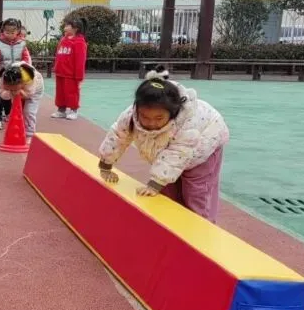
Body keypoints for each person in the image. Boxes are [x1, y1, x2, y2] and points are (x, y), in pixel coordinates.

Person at [97, 70, 230, 223]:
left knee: (195, 193)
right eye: (145, 117)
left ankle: (202, 226)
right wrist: (105, 165)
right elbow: (117, 137)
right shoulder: (130, 116)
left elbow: (177, 153)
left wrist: (154, 184)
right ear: (136, 108)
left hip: (203, 148)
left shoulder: (186, 124)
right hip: (170, 150)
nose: (151, 123)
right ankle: (171, 223)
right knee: (167, 190)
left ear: (172, 113)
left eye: (159, 118)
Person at [0, 18, 31, 130]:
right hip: (2, 76)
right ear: (2, 31)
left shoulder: (22, 44)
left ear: (18, 32)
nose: (10, 35)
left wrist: (27, 76)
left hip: (17, 76)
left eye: (13, 32)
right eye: (7, 32)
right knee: (0, 98)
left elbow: (26, 61)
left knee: (15, 97)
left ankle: (10, 115)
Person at [0, 62, 45, 142]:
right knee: (16, 111)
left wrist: (20, 92)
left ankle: (29, 135)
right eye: (9, 88)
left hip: (35, 91)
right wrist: (11, 93)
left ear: (21, 83)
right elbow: (2, 94)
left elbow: (29, 94)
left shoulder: (30, 78)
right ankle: (15, 131)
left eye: (14, 89)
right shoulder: (3, 78)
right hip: (21, 88)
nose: (12, 90)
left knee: (28, 112)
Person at [52, 15, 88, 120]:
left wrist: (79, 76)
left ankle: (73, 110)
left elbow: (80, 60)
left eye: (67, 26)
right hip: (60, 72)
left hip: (71, 74)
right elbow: (58, 55)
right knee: (60, 93)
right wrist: (56, 68)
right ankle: (61, 110)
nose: (65, 27)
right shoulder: (63, 40)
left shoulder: (79, 42)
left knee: (72, 93)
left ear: (75, 28)